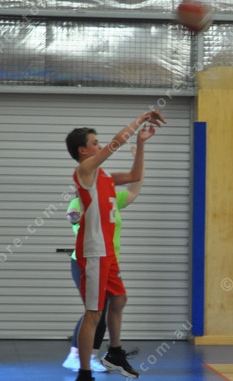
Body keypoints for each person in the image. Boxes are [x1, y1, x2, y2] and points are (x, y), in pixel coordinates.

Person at [65, 110, 165, 381]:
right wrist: (141, 118)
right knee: (93, 313)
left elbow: (135, 175)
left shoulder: (105, 176)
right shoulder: (85, 171)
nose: (100, 146)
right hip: (94, 252)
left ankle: (115, 354)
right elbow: (117, 143)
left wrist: (141, 144)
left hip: (108, 253)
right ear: (83, 150)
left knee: (119, 299)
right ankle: (84, 372)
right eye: (95, 143)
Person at [62, 146, 145, 373]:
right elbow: (73, 218)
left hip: (108, 260)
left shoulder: (110, 199)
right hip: (85, 261)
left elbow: (134, 188)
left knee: (113, 303)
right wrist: (74, 218)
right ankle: (75, 357)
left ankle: (102, 354)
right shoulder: (79, 202)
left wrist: (139, 156)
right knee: (95, 309)